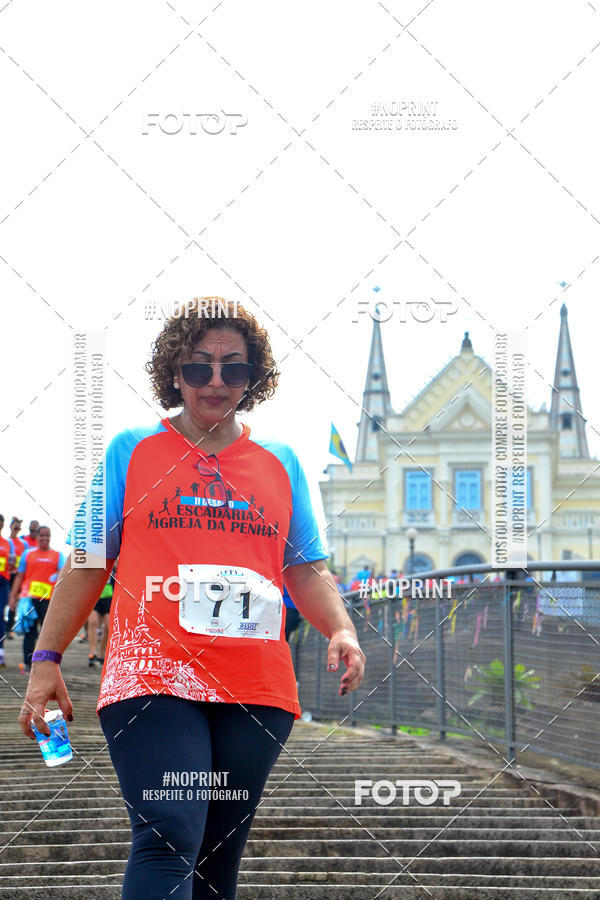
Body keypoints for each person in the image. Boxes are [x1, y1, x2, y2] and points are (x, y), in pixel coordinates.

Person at [17, 297, 366, 900]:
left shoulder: (280, 464)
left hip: (255, 684)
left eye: (234, 369)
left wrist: (342, 627)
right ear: (173, 371)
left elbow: (304, 567)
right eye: (199, 366)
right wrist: (46, 662)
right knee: (170, 828)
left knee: (216, 856)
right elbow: (88, 562)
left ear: (252, 379)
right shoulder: (133, 450)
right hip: (151, 673)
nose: (215, 381)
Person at [8, 525, 65, 671]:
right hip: (30, 599)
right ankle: (27, 664)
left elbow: (63, 577)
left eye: (47, 535)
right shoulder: (28, 554)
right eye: (42, 535)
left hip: (49, 600)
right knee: (30, 633)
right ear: (37, 537)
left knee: (48, 633)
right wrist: (13, 596)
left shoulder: (58, 556)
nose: (45, 538)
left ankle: (47, 665)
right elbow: (20, 576)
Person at [87, 566, 115, 667]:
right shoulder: (95, 553)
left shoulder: (114, 553)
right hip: (95, 594)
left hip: (109, 596)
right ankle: (93, 652)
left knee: (108, 626)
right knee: (92, 621)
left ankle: (101, 654)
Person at [5, 517, 25, 640]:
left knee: (13, 602)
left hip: (17, 575)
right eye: (15, 527)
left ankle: (9, 630)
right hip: (6, 574)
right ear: (11, 527)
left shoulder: (23, 544)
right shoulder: (6, 542)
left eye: (18, 527)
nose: (17, 529)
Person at [0, 514, 11, 666]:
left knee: (0, 616)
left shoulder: (8, 543)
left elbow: (13, 565)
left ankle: (0, 652)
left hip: (3, 582)